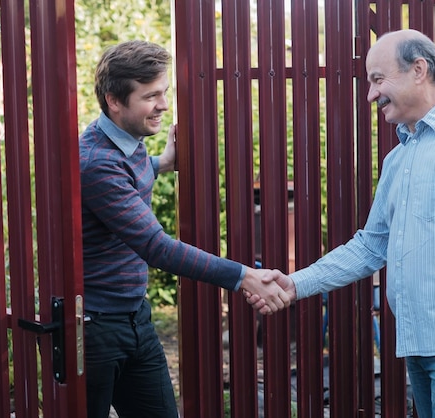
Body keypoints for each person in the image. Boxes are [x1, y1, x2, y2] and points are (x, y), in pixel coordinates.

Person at [248, 29, 435, 417]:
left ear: (419, 70)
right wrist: (296, 282)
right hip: (417, 345)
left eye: (377, 79)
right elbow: (371, 245)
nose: (371, 95)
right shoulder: (397, 159)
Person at [80, 40, 290, 418]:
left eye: (164, 93)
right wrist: (244, 277)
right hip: (96, 330)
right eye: (151, 96)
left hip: (135, 318)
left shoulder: (127, 143)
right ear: (114, 100)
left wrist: (162, 162)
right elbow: (156, 246)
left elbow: (131, 175)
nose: (163, 105)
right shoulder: (98, 163)